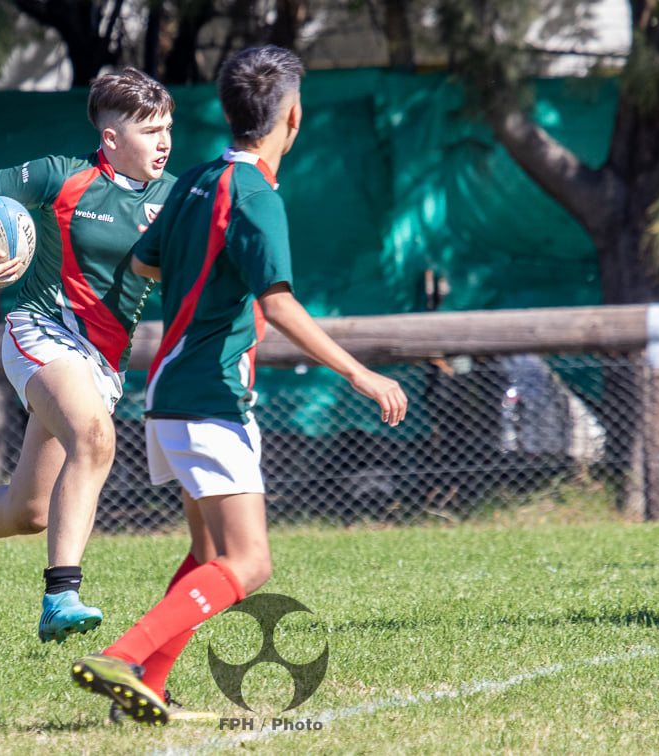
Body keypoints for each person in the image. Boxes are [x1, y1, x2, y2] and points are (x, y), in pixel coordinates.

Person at [70, 45, 408, 726]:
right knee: (249, 563)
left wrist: (206, 277)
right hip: (211, 394)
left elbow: (142, 265)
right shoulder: (255, 194)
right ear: (294, 116)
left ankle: (148, 685)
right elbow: (279, 305)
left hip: (169, 390)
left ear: (229, 111)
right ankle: (122, 655)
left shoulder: (197, 179)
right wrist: (359, 372)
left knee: (207, 554)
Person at [0, 67, 176, 646]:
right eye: (150, 130)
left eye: (167, 127)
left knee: (30, 512)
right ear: (110, 139)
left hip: (101, 362)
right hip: (41, 329)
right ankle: (60, 596)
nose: (164, 141)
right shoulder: (62, 176)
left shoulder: (174, 197)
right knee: (95, 438)